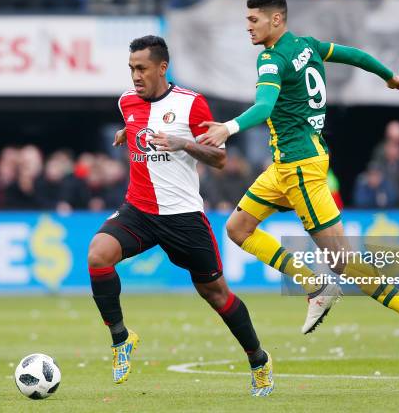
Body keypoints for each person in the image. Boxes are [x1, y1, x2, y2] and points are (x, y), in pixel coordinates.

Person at [200, 0, 399, 369]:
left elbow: (265, 105)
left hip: (301, 170)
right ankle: (314, 286)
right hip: (287, 167)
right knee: (237, 228)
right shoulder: (307, 45)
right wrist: (389, 76)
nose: (247, 27)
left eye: (253, 20)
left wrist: (228, 128)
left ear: (276, 19)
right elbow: (356, 55)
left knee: (343, 261)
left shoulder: (271, 59)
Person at [87, 35, 274, 396]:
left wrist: (182, 143)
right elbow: (140, 120)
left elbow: (220, 159)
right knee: (98, 257)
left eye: (141, 68)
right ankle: (121, 339)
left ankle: (258, 359)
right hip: (138, 210)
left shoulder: (191, 104)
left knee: (216, 294)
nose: (135, 76)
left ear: (161, 67)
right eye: (131, 69)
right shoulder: (126, 102)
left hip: (183, 217)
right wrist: (129, 131)